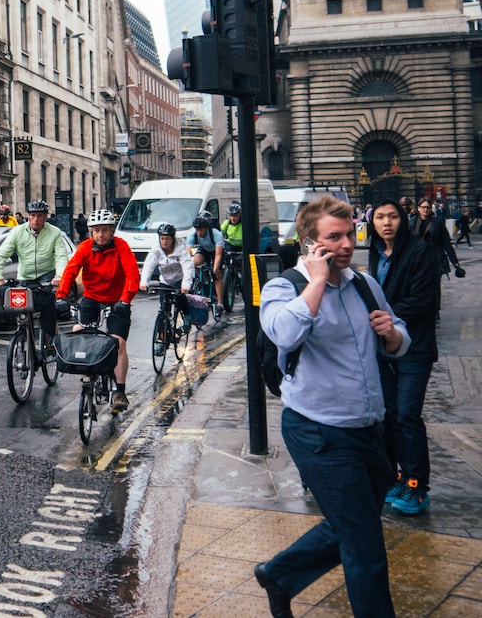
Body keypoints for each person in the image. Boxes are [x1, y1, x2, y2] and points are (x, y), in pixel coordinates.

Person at [256, 196, 410, 618]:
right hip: (318, 432)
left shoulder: (364, 283)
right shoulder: (283, 286)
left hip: (370, 428)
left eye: (349, 235)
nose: (347, 245)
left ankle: (280, 573)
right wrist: (317, 281)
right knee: (365, 547)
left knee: (351, 522)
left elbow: (398, 333)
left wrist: (393, 336)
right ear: (311, 243)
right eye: (334, 237)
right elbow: (282, 333)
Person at [367, 198, 440, 516]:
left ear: (403, 219)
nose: (386, 222)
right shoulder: (375, 254)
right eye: (380, 217)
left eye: (393, 216)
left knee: (408, 416)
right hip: (385, 348)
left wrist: (385, 317)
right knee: (388, 415)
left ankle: (417, 486)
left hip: (416, 348)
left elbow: (423, 300)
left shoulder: (420, 252)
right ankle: (397, 476)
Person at [56, 209, 140, 412]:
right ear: (91, 232)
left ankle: (120, 391)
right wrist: (61, 296)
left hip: (118, 300)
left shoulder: (121, 247)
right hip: (92, 298)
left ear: (112, 231)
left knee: (118, 342)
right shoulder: (85, 247)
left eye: (104, 230)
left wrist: (125, 299)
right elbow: (71, 270)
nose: (100, 235)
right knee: (78, 331)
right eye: (96, 231)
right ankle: (87, 378)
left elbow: (132, 274)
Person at [0, 198, 74, 353]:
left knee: (47, 302)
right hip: (25, 276)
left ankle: (50, 336)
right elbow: (1, 255)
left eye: (39, 215)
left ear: (45, 216)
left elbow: (61, 257)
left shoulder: (54, 233)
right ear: (28, 216)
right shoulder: (17, 232)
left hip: (47, 275)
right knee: (19, 304)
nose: (35, 219)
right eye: (32, 215)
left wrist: (58, 276)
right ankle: (23, 331)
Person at [140, 223, 195, 356]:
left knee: (180, 299)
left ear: (172, 239)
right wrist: (144, 282)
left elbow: (188, 268)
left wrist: (186, 285)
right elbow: (149, 265)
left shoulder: (180, 250)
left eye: (167, 239)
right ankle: (161, 342)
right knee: (163, 311)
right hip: (165, 281)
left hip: (179, 280)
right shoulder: (156, 250)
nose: (164, 242)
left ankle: (187, 319)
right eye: (162, 239)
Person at [186, 210, 225, 318]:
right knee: (194, 263)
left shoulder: (216, 234)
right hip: (204, 250)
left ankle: (220, 304)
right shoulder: (192, 235)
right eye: (196, 229)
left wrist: (215, 269)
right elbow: (188, 254)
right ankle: (204, 281)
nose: (198, 232)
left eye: (200, 230)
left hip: (216, 251)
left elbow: (218, 254)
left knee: (217, 274)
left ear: (206, 228)